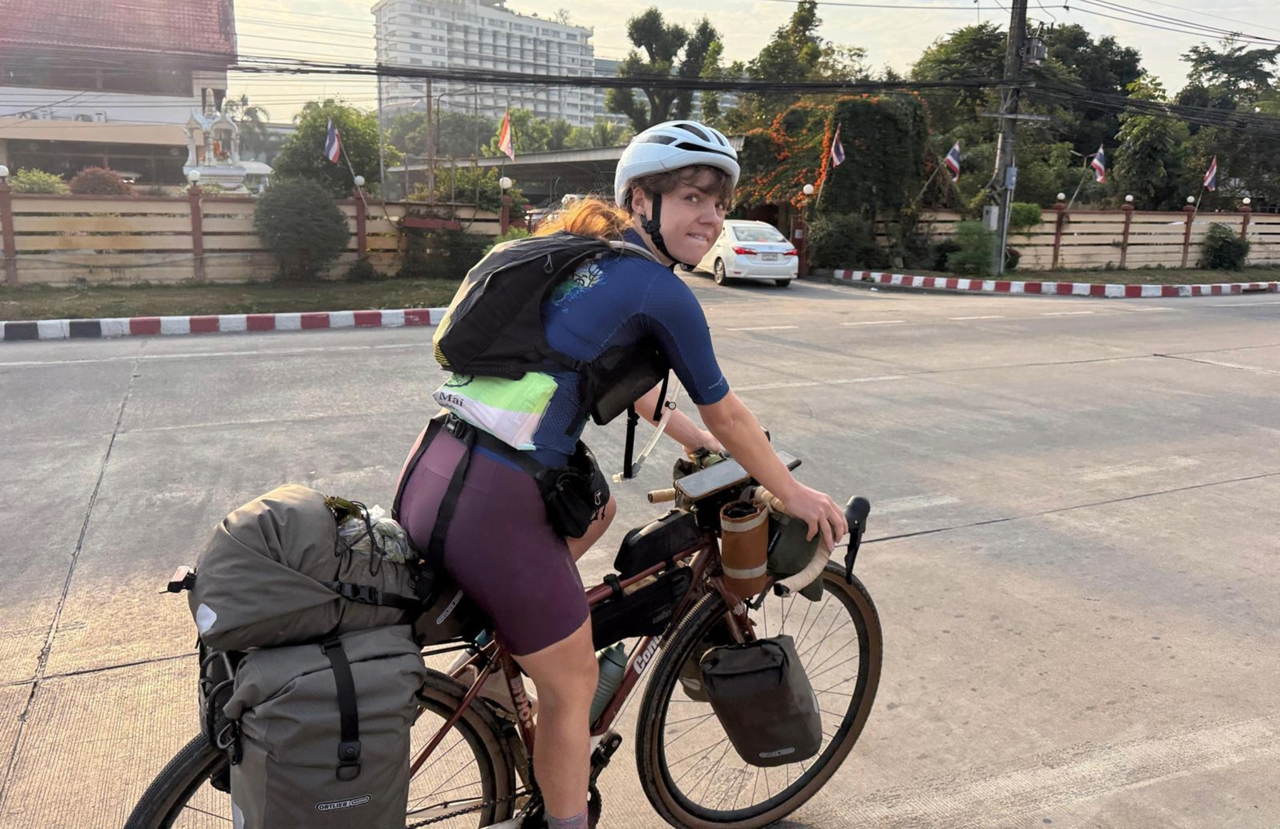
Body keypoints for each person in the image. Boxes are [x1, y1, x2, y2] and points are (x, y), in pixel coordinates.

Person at [395, 120, 848, 829]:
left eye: (720, 202)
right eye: (693, 196)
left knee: (597, 509)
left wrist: (704, 447)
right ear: (641, 198)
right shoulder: (655, 289)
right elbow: (725, 409)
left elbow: (645, 394)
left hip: (432, 471)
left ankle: (492, 676)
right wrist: (790, 491)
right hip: (495, 504)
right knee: (574, 684)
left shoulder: (585, 261)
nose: (711, 216)